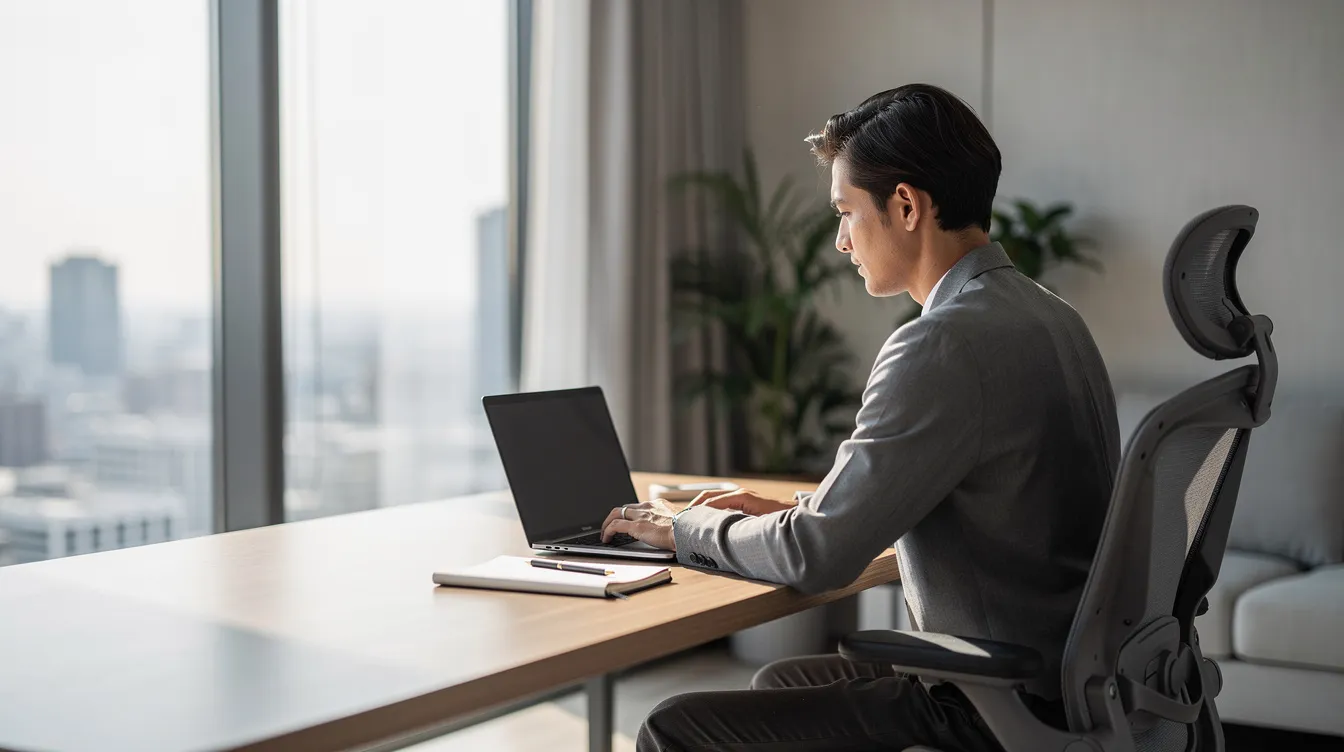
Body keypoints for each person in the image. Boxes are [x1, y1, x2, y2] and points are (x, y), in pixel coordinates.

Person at [601, 83, 1119, 751]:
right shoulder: (1052, 316)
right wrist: (801, 507)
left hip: (994, 701)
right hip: (1071, 676)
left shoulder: (942, 343)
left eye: (846, 212)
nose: (842, 240)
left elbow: (818, 557)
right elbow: (971, 490)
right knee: (783, 685)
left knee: (672, 729)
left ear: (905, 206)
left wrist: (681, 529)